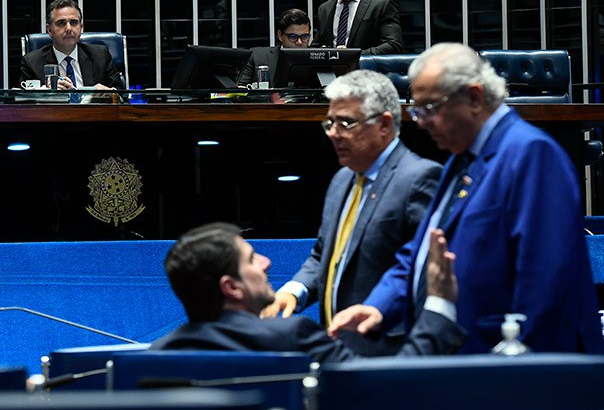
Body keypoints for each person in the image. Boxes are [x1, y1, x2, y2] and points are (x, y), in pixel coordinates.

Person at [329, 42, 604, 354]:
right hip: (466, 359)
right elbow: (420, 254)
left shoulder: (530, 154)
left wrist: (521, 366)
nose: (420, 121)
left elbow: (546, 279)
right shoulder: (460, 160)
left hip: (506, 361)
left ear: (474, 97)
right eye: (416, 109)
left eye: (430, 108)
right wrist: (379, 306)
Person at [262, 71, 441, 356]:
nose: (333, 132)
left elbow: (422, 270)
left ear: (383, 124)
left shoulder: (419, 179)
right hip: (338, 345)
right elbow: (324, 255)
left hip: (389, 347)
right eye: (330, 122)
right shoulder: (342, 179)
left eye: (346, 122)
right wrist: (294, 291)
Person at [150, 223, 465, 363]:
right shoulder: (291, 338)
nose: (266, 262)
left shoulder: (159, 354)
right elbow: (392, 382)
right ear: (232, 288)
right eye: (251, 259)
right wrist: (439, 304)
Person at [17, 0, 122, 90]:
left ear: (81, 27)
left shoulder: (100, 56)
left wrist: (109, 93)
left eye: (74, 22)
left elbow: (122, 96)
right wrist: (46, 92)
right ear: (49, 30)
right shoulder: (32, 62)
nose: (68, 28)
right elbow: (25, 103)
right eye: (61, 23)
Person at [236, 8, 312, 88]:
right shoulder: (257, 57)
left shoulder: (318, 59)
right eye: (293, 37)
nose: (299, 42)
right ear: (280, 35)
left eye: (304, 37)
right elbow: (240, 90)